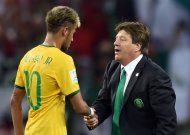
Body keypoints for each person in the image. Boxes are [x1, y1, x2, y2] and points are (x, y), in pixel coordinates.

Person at [10, 6, 94, 135]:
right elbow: (79, 106)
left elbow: (15, 101)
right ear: (65, 31)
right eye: (73, 33)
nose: (72, 39)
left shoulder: (27, 57)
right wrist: (91, 112)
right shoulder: (63, 60)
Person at [84, 21, 177, 135]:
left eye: (122, 39)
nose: (115, 43)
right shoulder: (112, 68)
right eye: (116, 39)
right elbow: (104, 101)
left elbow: (167, 124)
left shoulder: (156, 76)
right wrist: (95, 115)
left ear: (137, 46)